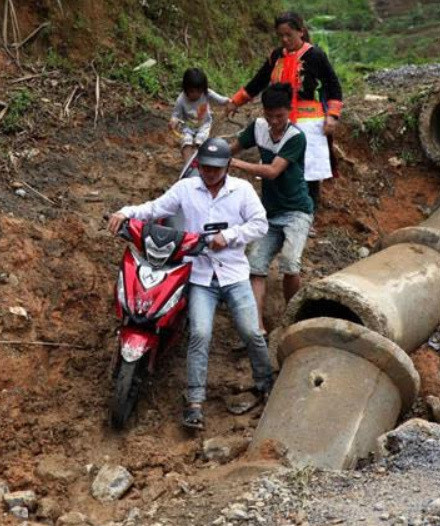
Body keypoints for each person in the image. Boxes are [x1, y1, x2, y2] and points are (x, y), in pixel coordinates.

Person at [107, 138, 273, 430]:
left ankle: (265, 383)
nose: (210, 173)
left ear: (227, 166)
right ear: (198, 165)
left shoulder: (243, 190)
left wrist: (229, 236)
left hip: (234, 273)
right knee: (199, 333)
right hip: (198, 276)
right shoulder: (186, 188)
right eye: (205, 167)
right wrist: (126, 212)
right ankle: (194, 402)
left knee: (251, 331)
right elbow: (155, 208)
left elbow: (260, 224)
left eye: (216, 168)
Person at [226, 11, 343, 210]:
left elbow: (333, 85)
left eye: (289, 35)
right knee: (279, 167)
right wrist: (236, 101)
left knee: (308, 171)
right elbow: (258, 81)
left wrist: (332, 116)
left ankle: (308, 212)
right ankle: (278, 209)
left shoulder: (315, 55)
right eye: (280, 36)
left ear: (301, 32)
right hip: (280, 121)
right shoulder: (276, 56)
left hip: (308, 122)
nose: (284, 40)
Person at [229, 83, 313, 335]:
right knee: (255, 265)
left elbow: (273, 171)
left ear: (289, 111)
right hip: (269, 212)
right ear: (263, 111)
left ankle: (294, 318)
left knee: (290, 263)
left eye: (280, 116)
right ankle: (257, 328)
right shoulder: (258, 127)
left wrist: (235, 163)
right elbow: (232, 148)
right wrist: (215, 155)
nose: (274, 122)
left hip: (297, 211)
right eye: (269, 116)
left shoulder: (296, 137)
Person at [169, 68, 231, 163]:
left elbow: (221, 100)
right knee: (186, 143)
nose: (196, 94)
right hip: (187, 128)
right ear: (185, 88)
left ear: (203, 89)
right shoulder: (181, 100)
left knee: (200, 142)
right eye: (192, 91)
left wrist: (231, 102)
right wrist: (173, 121)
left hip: (204, 125)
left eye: (199, 91)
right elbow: (176, 115)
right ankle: (188, 165)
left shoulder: (207, 93)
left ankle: (201, 163)